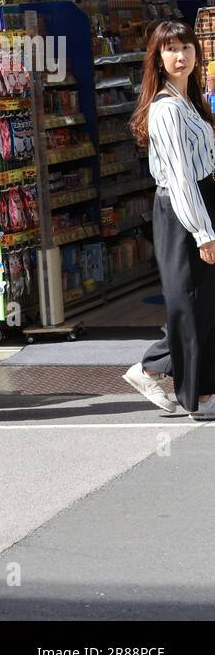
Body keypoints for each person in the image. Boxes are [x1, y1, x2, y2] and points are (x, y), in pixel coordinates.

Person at [122, 21, 215, 420]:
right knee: (190, 303)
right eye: (171, 49)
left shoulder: (189, 102)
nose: (181, 56)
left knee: (203, 302)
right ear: (158, 59)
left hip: (202, 199)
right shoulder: (165, 109)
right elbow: (179, 175)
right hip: (182, 208)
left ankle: (163, 373)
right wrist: (202, 230)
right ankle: (190, 392)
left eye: (187, 48)